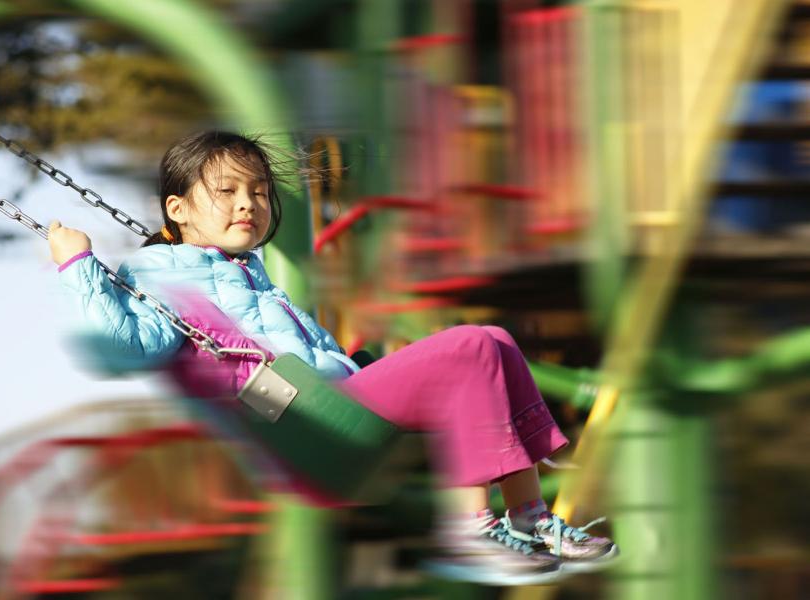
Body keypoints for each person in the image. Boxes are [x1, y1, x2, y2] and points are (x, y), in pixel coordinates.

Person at [48, 130, 618, 586]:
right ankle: (469, 529)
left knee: (495, 340)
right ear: (178, 208)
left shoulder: (248, 269)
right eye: (226, 191)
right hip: (307, 420)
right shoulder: (157, 272)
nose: (248, 203)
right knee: (469, 346)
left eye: (260, 191)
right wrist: (78, 267)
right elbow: (133, 344)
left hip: (335, 398)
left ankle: (532, 518)